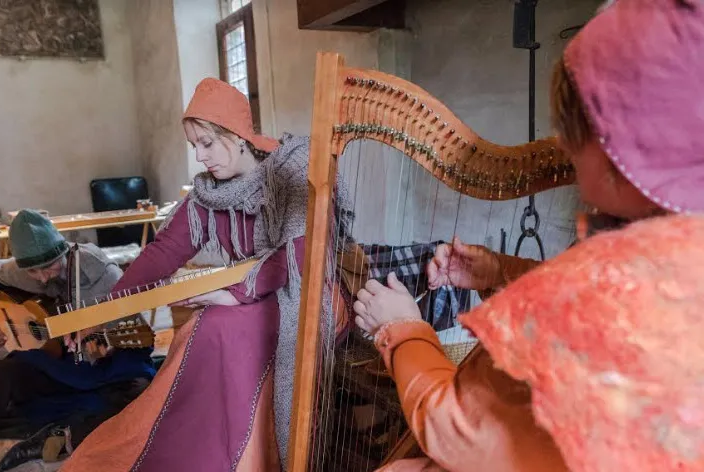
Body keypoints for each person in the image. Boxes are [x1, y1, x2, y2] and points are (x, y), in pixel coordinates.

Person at [352, 0, 703, 470]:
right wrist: (501, 271)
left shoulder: (592, 287)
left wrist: (399, 327)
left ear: (611, 143)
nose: (561, 145)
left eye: (571, 127)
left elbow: (451, 429)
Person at [59, 78, 351, 472]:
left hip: (309, 297)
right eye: (194, 146)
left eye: (207, 143)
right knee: (204, 329)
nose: (200, 157)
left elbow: (298, 255)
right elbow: (162, 253)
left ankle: (234, 458)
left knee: (216, 327)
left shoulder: (293, 171)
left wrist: (232, 293)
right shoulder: (209, 195)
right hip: (248, 301)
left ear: (237, 134)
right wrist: (102, 311)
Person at [0, 209, 157, 472]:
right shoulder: (25, 269)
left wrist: (102, 345)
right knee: (3, 373)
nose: (42, 278)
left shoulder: (101, 274)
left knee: (141, 398)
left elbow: (137, 336)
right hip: (61, 363)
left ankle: (60, 434)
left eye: (48, 267)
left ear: (61, 252)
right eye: (33, 272)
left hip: (105, 369)